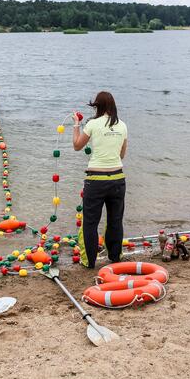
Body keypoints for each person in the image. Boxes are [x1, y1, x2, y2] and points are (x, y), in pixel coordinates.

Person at [72, 91, 128, 268]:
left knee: (90, 222)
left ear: (98, 106)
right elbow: (122, 154)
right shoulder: (122, 125)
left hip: (96, 180)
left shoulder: (92, 124)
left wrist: (76, 126)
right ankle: (115, 256)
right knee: (115, 219)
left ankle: (89, 261)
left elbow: (77, 146)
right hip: (118, 179)